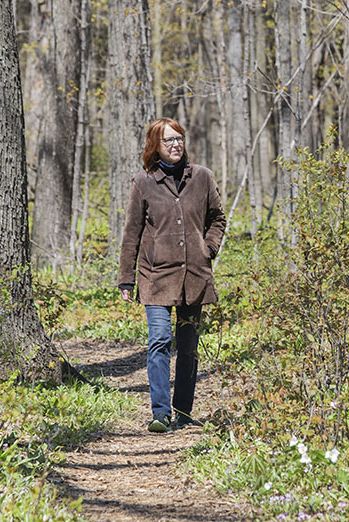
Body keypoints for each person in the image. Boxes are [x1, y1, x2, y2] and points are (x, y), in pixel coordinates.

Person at [118, 117, 226, 433]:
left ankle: (183, 412)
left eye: (179, 138)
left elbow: (217, 219)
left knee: (189, 345)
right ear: (156, 146)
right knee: (160, 339)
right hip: (155, 276)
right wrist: (126, 277)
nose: (176, 144)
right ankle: (161, 413)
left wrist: (208, 247)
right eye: (169, 140)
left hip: (194, 274)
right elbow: (132, 232)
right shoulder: (144, 182)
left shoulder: (202, 178)